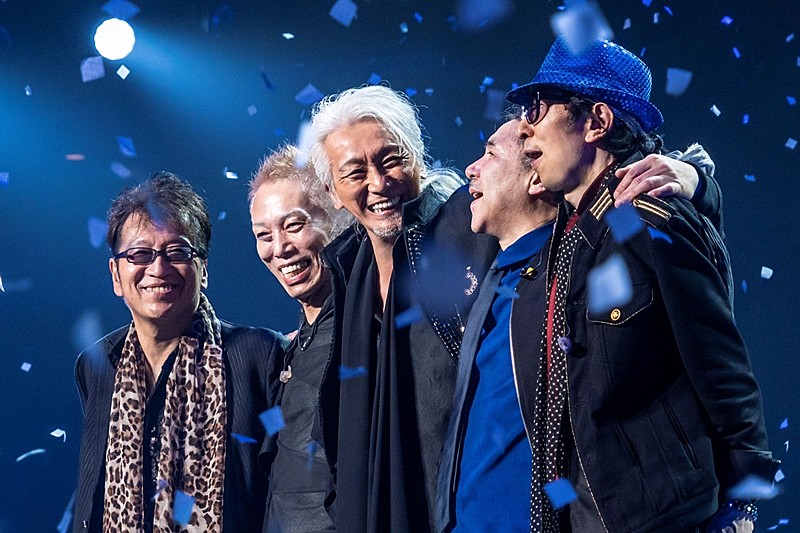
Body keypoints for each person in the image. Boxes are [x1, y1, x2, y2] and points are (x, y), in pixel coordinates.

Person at [504, 36, 778, 532]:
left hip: (664, 519)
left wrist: (744, 504)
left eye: (539, 108)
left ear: (597, 122)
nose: (524, 126)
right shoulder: (564, 236)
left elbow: (720, 364)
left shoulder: (649, 219)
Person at [435, 112, 723, 532]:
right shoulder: (490, 273)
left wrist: (698, 183)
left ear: (536, 177)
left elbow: (711, 353)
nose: (470, 169)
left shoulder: (582, 269)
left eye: (490, 154)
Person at [308, 85, 499, 532]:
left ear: (417, 158)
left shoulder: (469, 229)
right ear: (332, 191)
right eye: (355, 172)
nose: (378, 183)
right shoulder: (347, 273)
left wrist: (671, 176)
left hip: (473, 506)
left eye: (391, 159)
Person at [73, 172, 286, 532]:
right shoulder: (96, 364)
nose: (158, 268)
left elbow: (285, 488)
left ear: (204, 270)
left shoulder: (259, 355)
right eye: (140, 254)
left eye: (178, 252)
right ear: (116, 275)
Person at [248, 144, 350, 532]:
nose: (279, 248)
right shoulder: (291, 345)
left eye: (293, 225)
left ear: (334, 216)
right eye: (263, 235)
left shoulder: (362, 337)